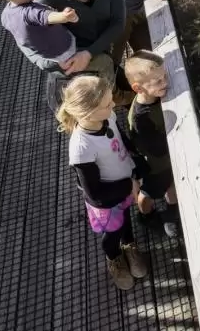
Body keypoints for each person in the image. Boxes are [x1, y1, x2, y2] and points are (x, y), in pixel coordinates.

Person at [57, 75, 149, 291]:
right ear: (87, 113)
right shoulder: (82, 148)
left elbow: (120, 140)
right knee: (112, 232)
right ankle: (114, 256)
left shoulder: (107, 118)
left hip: (125, 183)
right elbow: (95, 194)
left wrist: (136, 160)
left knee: (126, 219)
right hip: (107, 201)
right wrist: (130, 186)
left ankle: (129, 245)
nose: (114, 105)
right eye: (107, 104)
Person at [122, 50, 179, 238]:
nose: (166, 82)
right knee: (149, 191)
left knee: (171, 183)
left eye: (165, 76)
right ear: (138, 88)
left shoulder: (155, 96)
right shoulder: (141, 118)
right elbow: (154, 148)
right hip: (153, 165)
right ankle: (146, 214)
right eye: (158, 81)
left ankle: (172, 211)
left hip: (166, 161)